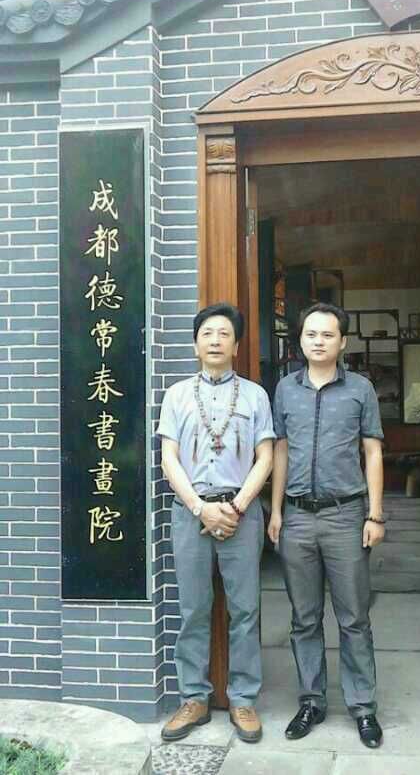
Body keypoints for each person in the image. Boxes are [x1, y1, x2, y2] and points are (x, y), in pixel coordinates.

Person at [268, 302, 386, 749]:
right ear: (300, 340)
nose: (318, 341)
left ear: (342, 342)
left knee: (354, 616)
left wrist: (375, 514)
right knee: (304, 618)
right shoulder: (285, 389)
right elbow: (280, 450)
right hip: (297, 516)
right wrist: (276, 511)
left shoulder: (360, 389)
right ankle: (311, 702)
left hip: (345, 516)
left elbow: (372, 451)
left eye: (327, 334)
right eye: (311, 334)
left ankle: (363, 707)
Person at [158, 302, 274, 743]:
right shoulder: (176, 395)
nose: (215, 340)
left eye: (224, 333)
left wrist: (237, 508)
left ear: (237, 345)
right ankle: (194, 698)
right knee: (193, 610)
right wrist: (200, 508)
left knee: (245, 610)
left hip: (241, 513)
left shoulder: (255, 396)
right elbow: (168, 458)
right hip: (191, 513)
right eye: (207, 333)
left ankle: (243, 699)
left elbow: (266, 458)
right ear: (195, 344)